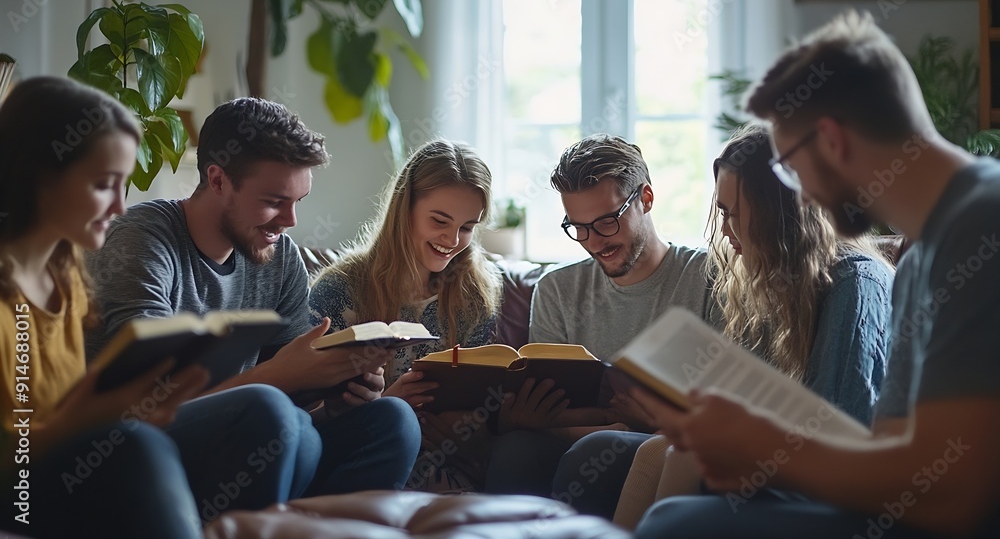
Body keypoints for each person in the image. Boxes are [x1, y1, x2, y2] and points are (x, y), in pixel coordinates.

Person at [632, 11, 1000, 539]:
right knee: (677, 516)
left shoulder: (981, 222)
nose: (798, 194)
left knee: (678, 525)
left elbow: (956, 495)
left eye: (788, 167)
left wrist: (764, 447)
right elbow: (889, 452)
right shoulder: (921, 257)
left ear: (832, 139)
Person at [84, 97, 420, 499]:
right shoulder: (144, 239)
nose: (290, 221)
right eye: (274, 202)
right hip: (137, 443)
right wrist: (280, 375)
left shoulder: (281, 258)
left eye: (298, 202)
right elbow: (149, 400)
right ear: (218, 179)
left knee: (390, 420)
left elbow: (293, 401)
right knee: (276, 415)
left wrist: (335, 393)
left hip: (255, 444)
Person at [0, 76, 277, 538]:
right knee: (134, 446)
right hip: (18, 492)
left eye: (122, 185)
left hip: (67, 470)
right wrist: (91, 418)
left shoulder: (64, 278)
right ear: (41, 177)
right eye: (104, 185)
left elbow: (55, 412)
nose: (119, 207)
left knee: (242, 423)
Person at [609, 122, 894, 527]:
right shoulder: (779, 281)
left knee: (678, 479)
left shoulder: (854, 283)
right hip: (789, 456)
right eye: (722, 213)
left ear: (783, 215)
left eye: (737, 215)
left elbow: (845, 425)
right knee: (654, 451)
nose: (725, 230)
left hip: (842, 479)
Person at [485, 133, 721, 497]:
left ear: (646, 198)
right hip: (579, 441)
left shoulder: (708, 277)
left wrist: (650, 422)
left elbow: (726, 406)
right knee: (515, 450)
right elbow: (549, 412)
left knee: (594, 454)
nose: (594, 242)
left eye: (607, 222)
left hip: (668, 444)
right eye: (578, 228)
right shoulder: (556, 289)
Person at [308, 139, 502, 491]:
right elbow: (307, 412)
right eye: (440, 220)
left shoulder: (474, 296)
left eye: (468, 227)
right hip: (362, 458)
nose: (453, 239)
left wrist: (476, 427)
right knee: (394, 418)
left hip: (451, 468)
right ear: (404, 209)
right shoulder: (340, 288)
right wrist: (387, 403)